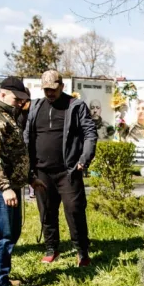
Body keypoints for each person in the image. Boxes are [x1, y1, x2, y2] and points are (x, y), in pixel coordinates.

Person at [25, 70, 98, 265]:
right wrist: (27, 165)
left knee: (74, 210)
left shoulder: (75, 106)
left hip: (68, 171)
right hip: (42, 171)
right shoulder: (36, 106)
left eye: (53, 89)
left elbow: (90, 133)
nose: (50, 93)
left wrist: (85, 158)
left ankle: (82, 251)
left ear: (62, 87)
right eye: (46, 90)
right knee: (46, 211)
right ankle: (51, 248)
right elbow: (27, 135)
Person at [0, 77, 43, 286]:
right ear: (3, 93)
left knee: (11, 232)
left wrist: (30, 178)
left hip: (11, 185)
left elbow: (16, 155)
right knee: (2, 234)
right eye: (17, 98)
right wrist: (5, 186)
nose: (19, 103)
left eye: (23, 100)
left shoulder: (8, 116)